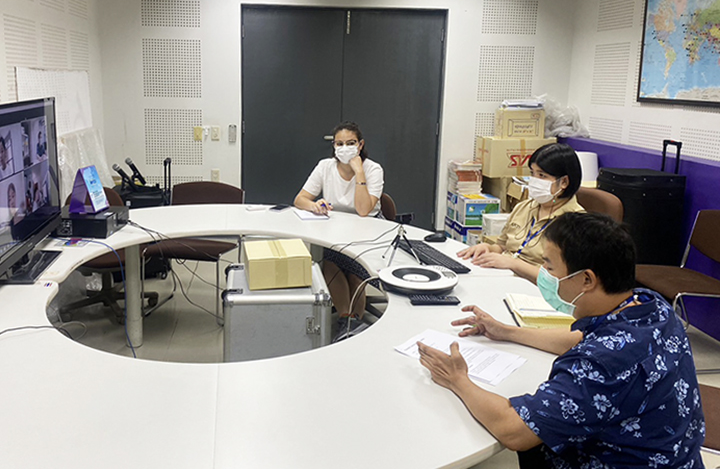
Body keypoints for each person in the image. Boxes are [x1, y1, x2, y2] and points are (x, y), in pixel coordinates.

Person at [418, 212, 705, 469]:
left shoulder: (602, 365)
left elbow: (514, 430)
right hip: (676, 455)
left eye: (550, 268)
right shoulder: (650, 306)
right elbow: (578, 339)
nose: (544, 276)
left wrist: (458, 379)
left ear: (587, 280)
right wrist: (505, 331)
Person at [294, 121, 384, 341]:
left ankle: (352, 321)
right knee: (332, 262)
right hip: (335, 230)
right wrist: (314, 205)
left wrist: (359, 172)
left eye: (350, 143)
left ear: (360, 145)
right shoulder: (325, 166)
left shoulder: (373, 169)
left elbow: (363, 210)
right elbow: (299, 199)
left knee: (355, 268)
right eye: (339, 144)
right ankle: (347, 320)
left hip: (368, 231)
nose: (344, 148)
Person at [458, 143, 584, 282]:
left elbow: (560, 281)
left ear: (564, 182)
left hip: (534, 290)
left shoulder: (576, 224)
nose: (534, 181)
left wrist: (514, 264)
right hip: (502, 277)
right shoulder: (525, 207)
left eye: (542, 175)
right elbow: (502, 246)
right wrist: (487, 248)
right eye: (532, 173)